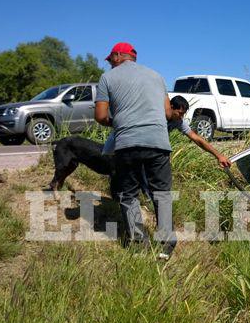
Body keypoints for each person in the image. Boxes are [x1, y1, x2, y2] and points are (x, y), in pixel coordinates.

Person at [94, 42, 177, 259]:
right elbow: (168, 113)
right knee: (162, 192)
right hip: (158, 142)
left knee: (128, 193)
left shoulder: (107, 79)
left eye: (111, 58)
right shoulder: (157, 76)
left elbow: (101, 116)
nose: (110, 63)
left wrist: (118, 121)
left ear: (119, 55)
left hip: (127, 143)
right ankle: (167, 240)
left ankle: (139, 241)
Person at [103, 95, 231, 168]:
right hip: (125, 141)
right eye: (179, 113)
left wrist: (218, 155)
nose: (181, 117)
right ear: (170, 107)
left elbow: (196, 138)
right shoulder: (154, 114)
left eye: (183, 114)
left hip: (145, 152)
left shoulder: (178, 121)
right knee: (108, 163)